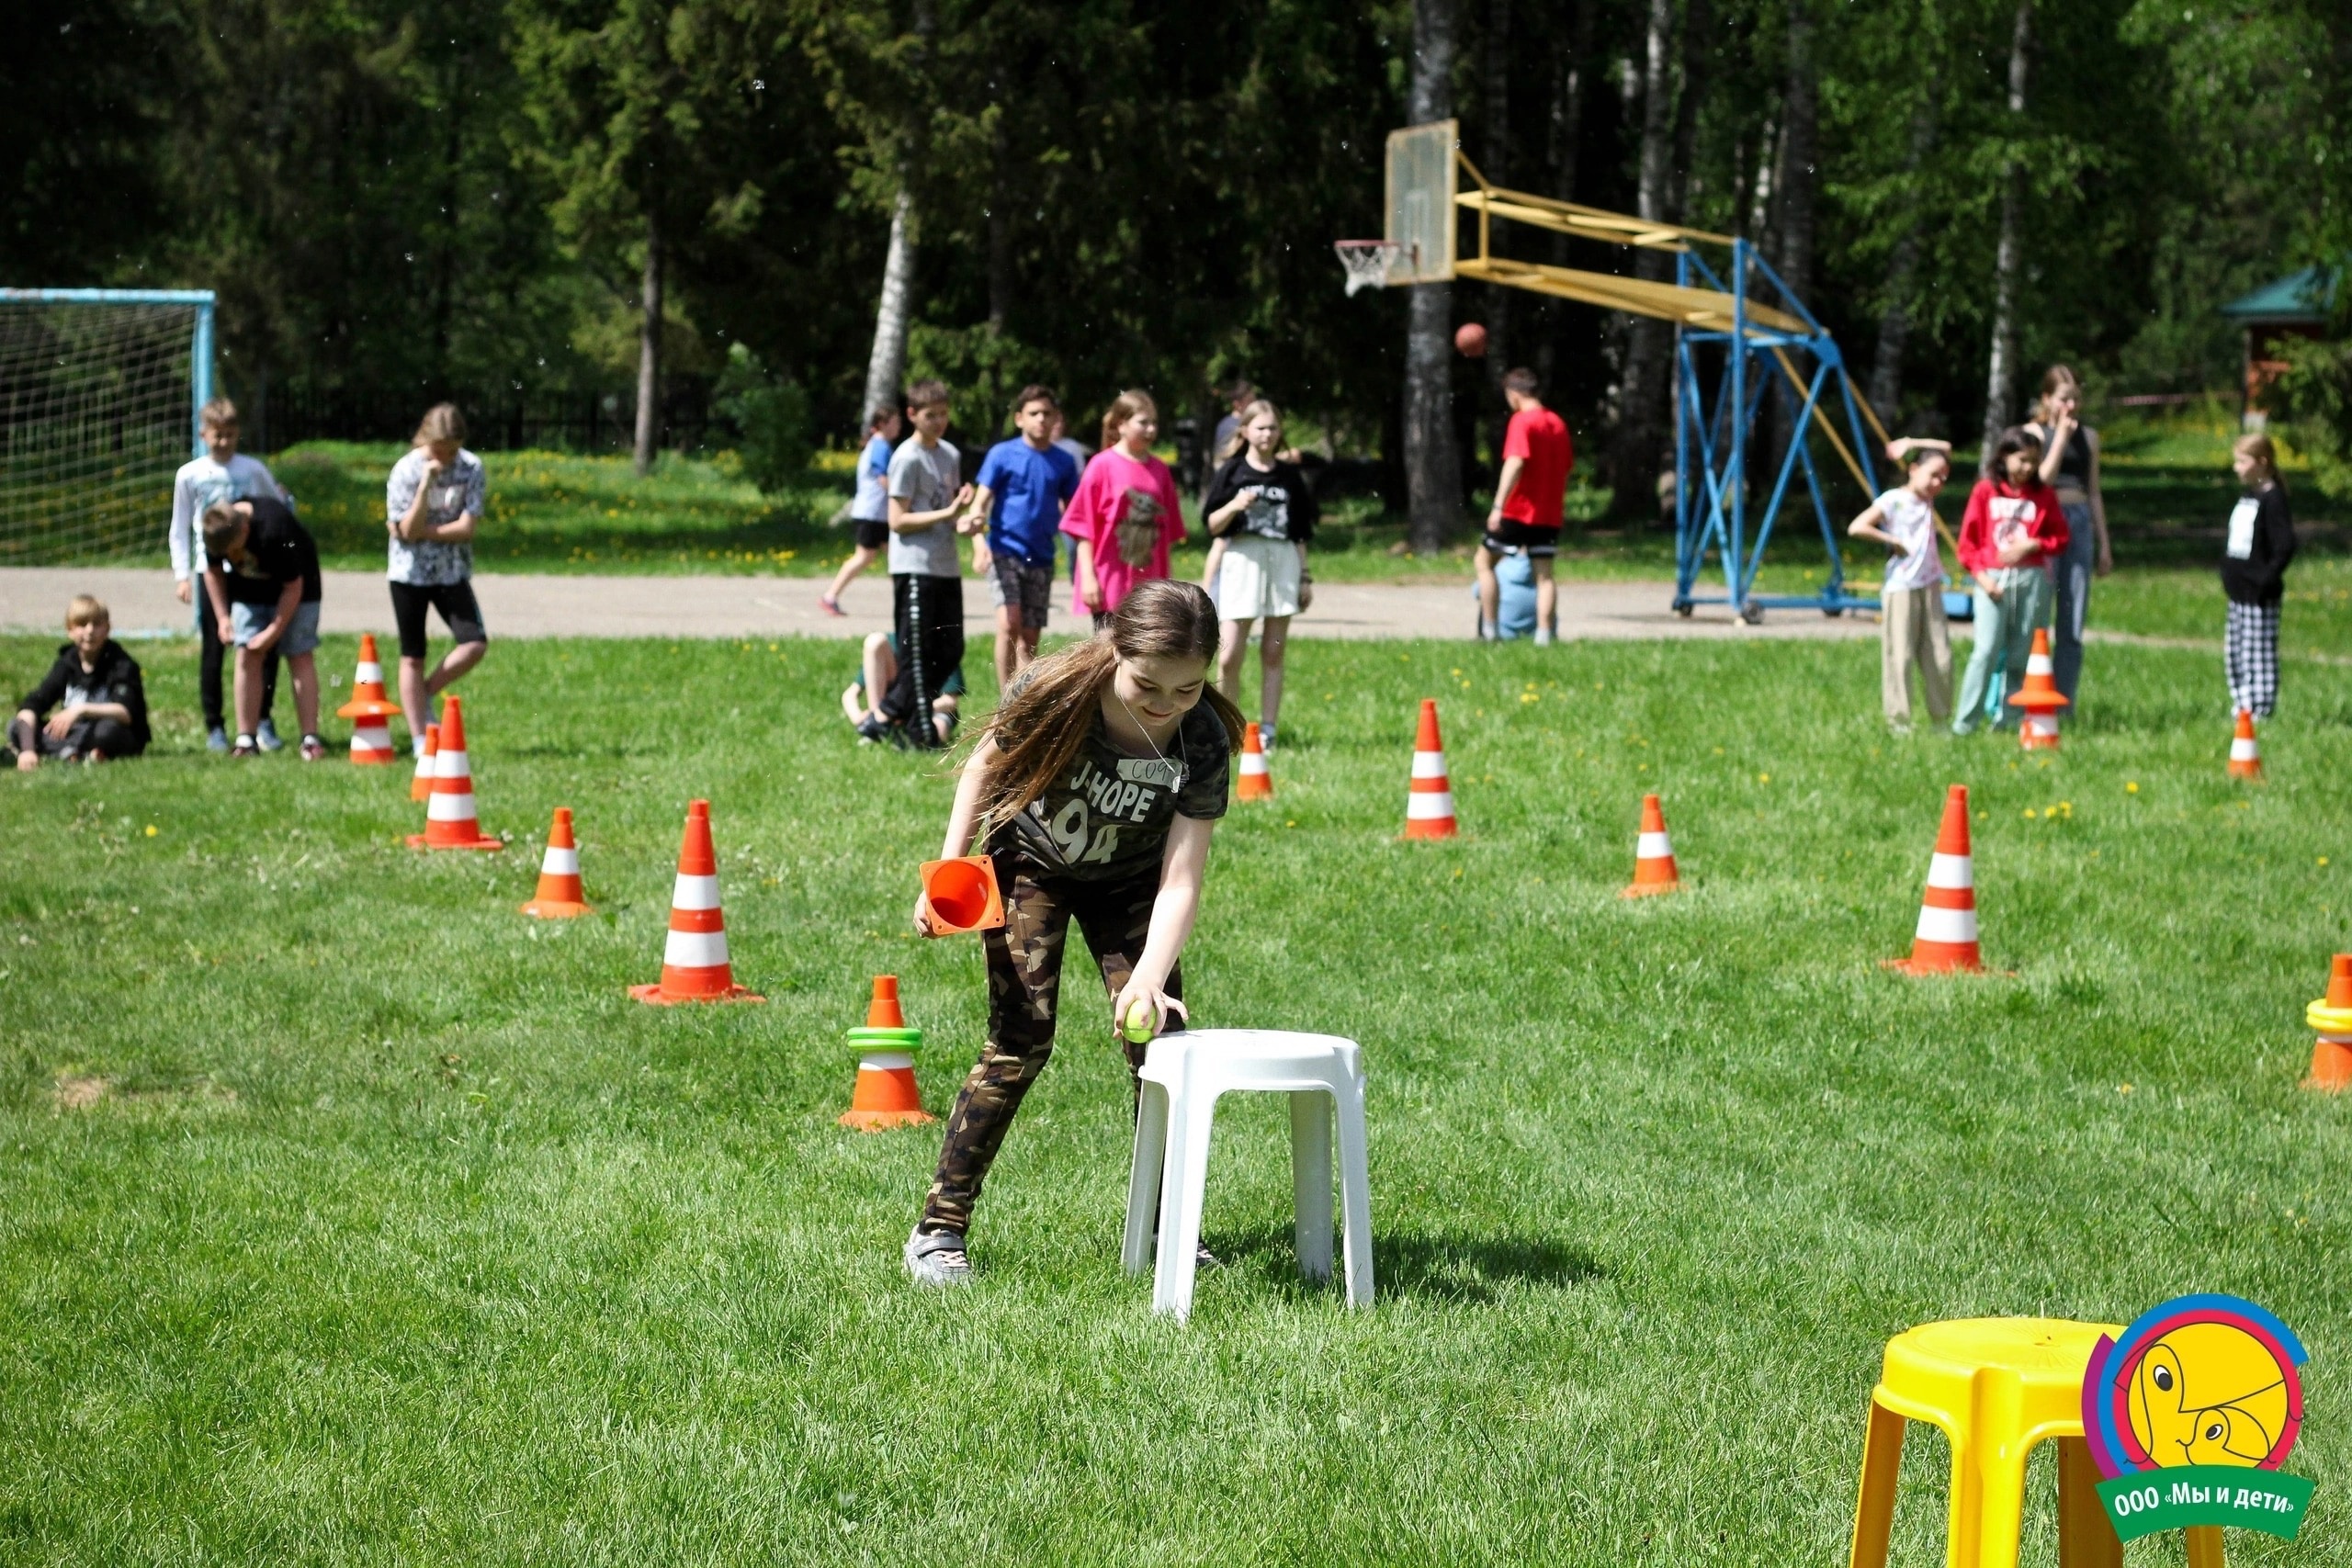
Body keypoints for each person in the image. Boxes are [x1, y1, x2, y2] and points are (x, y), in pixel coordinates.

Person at [903, 581, 1243, 1287]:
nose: (1165, 704)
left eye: (1187, 689)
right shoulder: (1056, 690)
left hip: (1130, 880)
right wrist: (955, 865)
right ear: (1113, 649)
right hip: (1030, 863)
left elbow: (1181, 877)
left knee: (1160, 1047)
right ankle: (939, 1230)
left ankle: (1168, 1229)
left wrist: (1149, 973)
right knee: (1020, 1038)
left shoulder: (1203, 736)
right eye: (1148, 684)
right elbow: (984, 765)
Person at [168, 398, 284, 752]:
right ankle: (215, 726)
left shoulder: (252, 470)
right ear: (203, 434)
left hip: (250, 569)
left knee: (261, 643)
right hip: (211, 570)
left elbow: (273, 507)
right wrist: (182, 574)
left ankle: (262, 720)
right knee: (216, 646)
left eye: (230, 435)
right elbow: (179, 526)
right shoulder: (190, 474)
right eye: (217, 435)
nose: (223, 442)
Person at [1202, 399, 1317, 751]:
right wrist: (1235, 505)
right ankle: (1226, 725)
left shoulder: (1288, 475)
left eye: (1273, 427)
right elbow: (1211, 523)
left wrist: (1305, 577)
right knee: (1229, 652)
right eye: (1260, 427)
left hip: (1282, 562)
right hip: (1242, 560)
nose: (1267, 434)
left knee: (1273, 650)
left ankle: (1268, 728)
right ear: (1245, 431)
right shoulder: (1232, 471)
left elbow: (1299, 532)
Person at [385, 404, 489, 751]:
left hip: (451, 571)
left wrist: (423, 531)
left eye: (451, 449)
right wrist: (426, 483)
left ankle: (425, 691)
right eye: (437, 448)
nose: (444, 456)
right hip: (408, 574)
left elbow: (466, 529)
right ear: (424, 440)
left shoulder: (471, 468)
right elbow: (407, 529)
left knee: (474, 643)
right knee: (412, 655)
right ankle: (420, 738)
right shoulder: (405, 470)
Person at [878, 380, 975, 750]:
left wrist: (962, 521)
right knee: (917, 652)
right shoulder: (906, 457)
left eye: (943, 414)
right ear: (912, 415)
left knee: (951, 649)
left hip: (945, 565)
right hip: (915, 566)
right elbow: (897, 520)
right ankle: (918, 735)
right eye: (930, 415)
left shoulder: (948, 454)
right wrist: (948, 512)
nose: (938, 422)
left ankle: (886, 713)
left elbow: (945, 513)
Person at [1952, 428, 2067, 736]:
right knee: (1986, 650)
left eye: (2033, 461)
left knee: (2022, 652)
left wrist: (2034, 545)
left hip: (2032, 579)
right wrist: (1983, 579)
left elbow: (2060, 537)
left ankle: (2009, 719)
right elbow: (1967, 545)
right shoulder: (1985, 491)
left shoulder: (2044, 495)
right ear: (2004, 457)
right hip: (1992, 578)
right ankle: (1965, 724)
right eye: (2021, 460)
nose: (2028, 468)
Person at [967, 386, 1080, 685]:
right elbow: (979, 505)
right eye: (1033, 413)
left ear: (1056, 418)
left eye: (1046, 413)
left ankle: (1024, 694)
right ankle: (1005, 697)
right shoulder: (1002, 455)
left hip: (1041, 555)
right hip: (1004, 550)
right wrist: (979, 544)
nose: (1040, 419)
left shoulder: (1063, 462)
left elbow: (1075, 511)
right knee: (1009, 623)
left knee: (1029, 635)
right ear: (1019, 418)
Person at [201, 496, 325, 759]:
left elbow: (293, 586)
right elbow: (213, 572)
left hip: (300, 585)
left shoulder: (274, 528)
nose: (232, 557)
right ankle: (246, 740)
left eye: (234, 550)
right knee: (247, 653)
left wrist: (273, 632)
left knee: (299, 653)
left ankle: (310, 739)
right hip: (251, 588)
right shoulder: (216, 529)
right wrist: (223, 617)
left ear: (245, 528)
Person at [2021, 367, 2112, 713]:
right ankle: (2031, 698)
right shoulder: (2034, 434)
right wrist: (2058, 436)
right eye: (2063, 399)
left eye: (2075, 398)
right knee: (2038, 617)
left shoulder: (2089, 437)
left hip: (2080, 523)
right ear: (2047, 399)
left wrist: (2104, 543)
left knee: (2072, 621)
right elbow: (2041, 482)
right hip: (2045, 523)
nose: (2071, 406)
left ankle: (2063, 704)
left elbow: (2094, 492)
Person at [1849, 446, 1954, 733]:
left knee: (1940, 655)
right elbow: (1857, 526)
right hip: (1901, 586)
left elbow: (1945, 448)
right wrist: (1891, 540)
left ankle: (1941, 720)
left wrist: (1911, 442)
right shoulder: (1894, 499)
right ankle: (1900, 722)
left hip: (1930, 584)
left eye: (1944, 478)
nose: (1938, 483)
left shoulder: (1927, 501)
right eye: (1933, 476)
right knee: (1900, 655)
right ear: (1913, 470)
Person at [1062, 389, 1187, 630]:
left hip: (1150, 584)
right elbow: (1083, 529)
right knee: (1109, 655)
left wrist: (1168, 583)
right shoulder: (1101, 466)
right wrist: (1088, 578)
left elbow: (1166, 536)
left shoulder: (1161, 470)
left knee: (1144, 657)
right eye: (1143, 423)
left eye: (1154, 423)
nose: (1151, 429)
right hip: (1109, 581)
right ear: (1121, 424)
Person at [1476, 367, 1574, 645]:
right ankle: (1544, 636)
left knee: (1483, 563)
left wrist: (1498, 506)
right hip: (1549, 512)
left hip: (1518, 509)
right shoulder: (1557, 423)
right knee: (1544, 575)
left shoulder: (1522, 421)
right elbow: (1565, 466)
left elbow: (1516, 461)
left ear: (1514, 393)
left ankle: (1490, 632)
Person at [10, 595, 148, 771]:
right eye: (82, 625)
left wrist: (79, 709)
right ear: (70, 630)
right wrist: (28, 751)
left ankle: (66, 751)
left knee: (108, 731)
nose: (90, 631)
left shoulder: (121, 664)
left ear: (107, 629)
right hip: (76, 733)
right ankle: (79, 753)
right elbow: (32, 706)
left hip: (112, 732)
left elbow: (125, 712)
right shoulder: (67, 662)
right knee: (17, 727)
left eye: (97, 625)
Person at [2222, 433, 2297, 718]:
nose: (2236, 467)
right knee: (2236, 653)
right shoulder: (2249, 496)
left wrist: (2265, 577)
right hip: (2239, 592)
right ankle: (2242, 704)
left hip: (2259, 595)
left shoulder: (2274, 499)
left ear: (2262, 463)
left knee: (2258, 653)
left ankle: (2260, 708)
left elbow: (2285, 544)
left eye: (2242, 461)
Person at [822, 404, 903, 616]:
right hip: (872, 514)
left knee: (896, 557)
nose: (899, 426)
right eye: (895, 422)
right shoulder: (880, 446)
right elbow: (884, 479)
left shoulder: (879, 444)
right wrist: (905, 500)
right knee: (866, 557)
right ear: (882, 424)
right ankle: (830, 596)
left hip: (877, 513)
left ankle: (907, 601)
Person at [842, 633, 964, 749]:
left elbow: (950, 701)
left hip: (930, 711)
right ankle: (879, 729)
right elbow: (850, 695)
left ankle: (903, 738)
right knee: (874, 640)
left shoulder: (939, 645)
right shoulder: (888, 645)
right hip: (889, 712)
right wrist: (860, 718)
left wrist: (912, 711)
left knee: (938, 730)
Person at [1211, 379, 1257, 456]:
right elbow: (1226, 457)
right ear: (1237, 404)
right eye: (1250, 401)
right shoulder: (1230, 426)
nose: (1254, 405)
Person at [1047, 407, 1091, 474]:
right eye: (1055, 421)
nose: (1059, 425)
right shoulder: (1038, 446)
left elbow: (1080, 473)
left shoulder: (1072, 446)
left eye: (1061, 422)